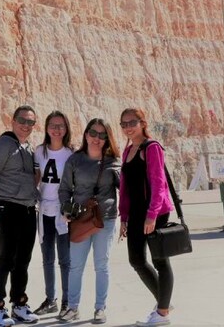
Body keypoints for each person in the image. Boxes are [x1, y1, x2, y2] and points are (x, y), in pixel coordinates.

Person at [0, 106, 41, 327]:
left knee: (23, 261)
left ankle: (19, 304)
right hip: (8, 208)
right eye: (22, 121)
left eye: (31, 122)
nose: (26, 125)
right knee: (5, 259)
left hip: (27, 210)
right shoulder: (3, 145)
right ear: (13, 121)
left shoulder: (28, 147)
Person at [57, 119, 121, 324]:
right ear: (86, 134)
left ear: (107, 138)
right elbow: (65, 188)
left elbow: (126, 190)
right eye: (93, 133)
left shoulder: (113, 162)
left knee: (101, 265)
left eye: (102, 135)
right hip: (80, 219)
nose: (97, 138)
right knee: (76, 266)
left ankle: (100, 308)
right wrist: (65, 208)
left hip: (106, 219)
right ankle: (73, 308)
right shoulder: (75, 160)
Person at [119, 108, 176, 327]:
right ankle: (164, 302)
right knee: (136, 260)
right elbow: (125, 187)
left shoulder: (151, 147)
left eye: (132, 122)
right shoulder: (127, 150)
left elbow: (158, 183)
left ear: (142, 122)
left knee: (160, 261)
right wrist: (124, 216)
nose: (128, 127)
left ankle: (162, 313)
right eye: (123, 124)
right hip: (134, 214)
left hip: (155, 213)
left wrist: (151, 216)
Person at [32, 111, 74, 316]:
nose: (57, 130)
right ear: (46, 128)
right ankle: (51, 300)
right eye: (53, 125)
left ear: (66, 129)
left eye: (61, 126)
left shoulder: (71, 154)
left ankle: (67, 301)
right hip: (44, 211)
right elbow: (36, 178)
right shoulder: (39, 151)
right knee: (47, 259)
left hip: (63, 213)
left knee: (65, 260)